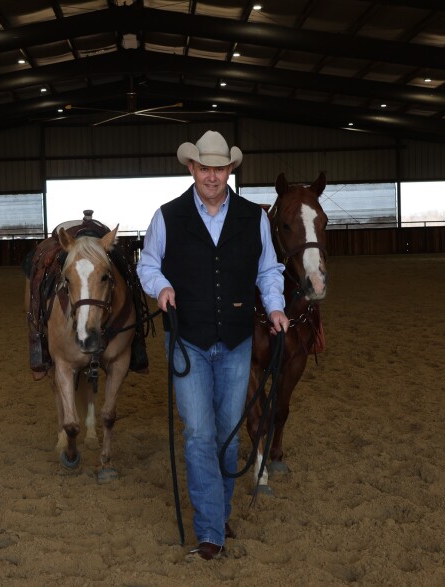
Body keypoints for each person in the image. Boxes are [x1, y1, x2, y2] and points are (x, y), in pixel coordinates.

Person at [136, 130, 290, 561]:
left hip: (238, 340)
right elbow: (148, 263)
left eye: (219, 168)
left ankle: (217, 515)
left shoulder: (252, 217)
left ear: (229, 171)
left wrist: (275, 308)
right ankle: (209, 531)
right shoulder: (167, 216)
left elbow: (269, 269)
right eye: (205, 168)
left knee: (225, 433)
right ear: (192, 168)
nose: (212, 176)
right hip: (187, 340)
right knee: (200, 433)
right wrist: (162, 286)